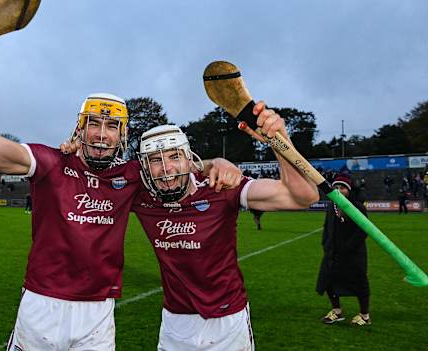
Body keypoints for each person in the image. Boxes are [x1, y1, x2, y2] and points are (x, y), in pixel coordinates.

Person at [0, 32, 232, 351]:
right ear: (80, 127)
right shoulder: (50, 163)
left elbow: (175, 171)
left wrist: (215, 162)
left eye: (112, 126)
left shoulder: (132, 175)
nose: (102, 135)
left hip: (98, 315)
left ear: (123, 135)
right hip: (42, 305)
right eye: (94, 123)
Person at [131, 114, 319, 349]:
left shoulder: (220, 186)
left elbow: (304, 198)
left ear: (189, 159)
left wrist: (280, 140)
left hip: (227, 320)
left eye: (174, 156)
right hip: (175, 321)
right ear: (145, 166)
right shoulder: (140, 196)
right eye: (155, 160)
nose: (166, 168)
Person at [316, 175, 371, 326]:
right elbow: (327, 226)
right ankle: (337, 311)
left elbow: (363, 230)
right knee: (328, 280)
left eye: (343, 188)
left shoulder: (357, 206)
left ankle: (365, 315)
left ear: (349, 189)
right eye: (336, 187)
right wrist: (326, 243)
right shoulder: (331, 205)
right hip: (332, 252)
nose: (339, 190)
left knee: (359, 282)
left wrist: (349, 247)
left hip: (353, 254)